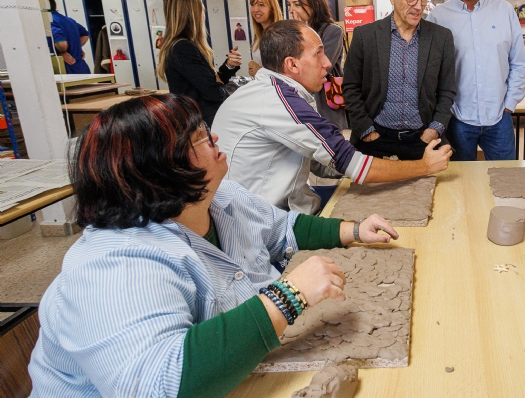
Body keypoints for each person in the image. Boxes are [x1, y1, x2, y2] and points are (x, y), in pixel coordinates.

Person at [28, 93, 398, 397]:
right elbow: (160, 385)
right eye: (198, 138)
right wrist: (288, 297)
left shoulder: (216, 195)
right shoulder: (114, 265)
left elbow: (282, 228)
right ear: (161, 169)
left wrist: (353, 229)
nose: (215, 139)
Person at [212, 20, 452, 215]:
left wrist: (379, 165)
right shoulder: (278, 102)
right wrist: (424, 166)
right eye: (318, 55)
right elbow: (352, 165)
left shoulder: (279, 93)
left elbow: (322, 161)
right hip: (261, 221)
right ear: (292, 65)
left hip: (277, 204)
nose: (328, 63)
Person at [343, 0, 456, 160]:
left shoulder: (441, 38)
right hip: (375, 139)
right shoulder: (365, 37)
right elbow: (351, 87)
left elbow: (447, 91)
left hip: (422, 140)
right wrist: (366, 131)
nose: (419, 6)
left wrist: (434, 130)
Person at [427, 0, 525, 161]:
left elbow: (518, 63)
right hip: (458, 119)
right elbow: (431, 72)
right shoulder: (438, 17)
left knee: (504, 180)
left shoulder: (504, 11)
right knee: (460, 184)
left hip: (499, 118)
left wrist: (509, 105)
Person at [157, 0, 242, 127]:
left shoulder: (183, 46)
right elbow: (213, 92)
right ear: (192, 14)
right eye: (201, 9)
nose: (204, 14)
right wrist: (220, 86)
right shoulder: (183, 48)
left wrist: (229, 66)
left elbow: (207, 82)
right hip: (201, 122)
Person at [288, 0, 348, 130]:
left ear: (313, 3)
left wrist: (301, 31)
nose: (292, 10)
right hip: (299, 100)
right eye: (289, 4)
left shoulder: (332, 31)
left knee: (330, 146)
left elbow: (319, 68)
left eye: (297, 4)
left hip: (325, 102)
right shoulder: (291, 32)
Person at [46, 0, 90, 74]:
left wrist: (62, 52)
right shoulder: (69, 20)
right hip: (81, 68)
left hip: (67, 68)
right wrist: (76, 47)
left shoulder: (50, 21)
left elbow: (62, 44)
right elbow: (85, 35)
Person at [248, 0, 283, 76]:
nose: (255, 9)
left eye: (261, 5)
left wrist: (259, 71)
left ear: (272, 8)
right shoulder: (258, 34)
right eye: (252, 4)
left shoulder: (281, 36)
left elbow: (285, 74)